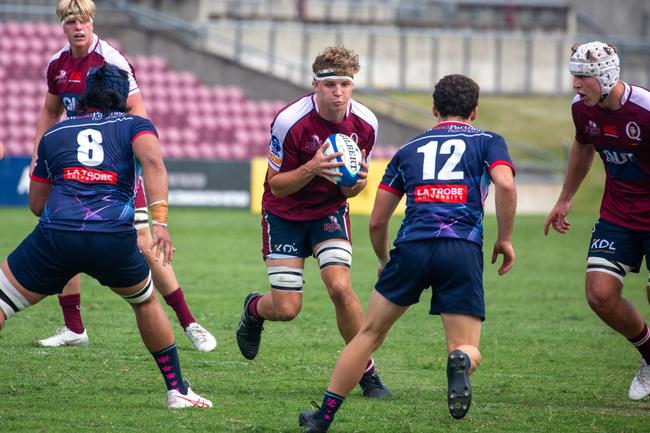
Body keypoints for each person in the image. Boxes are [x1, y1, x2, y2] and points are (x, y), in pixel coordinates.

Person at [299, 74, 517, 432]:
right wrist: (505, 238)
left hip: (412, 246)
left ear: (434, 109)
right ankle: (461, 359)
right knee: (464, 346)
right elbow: (505, 183)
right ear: (474, 112)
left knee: (368, 334)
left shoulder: (409, 149)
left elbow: (376, 221)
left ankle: (322, 417)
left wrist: (386, 261)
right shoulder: (489, 141)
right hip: (460, 248)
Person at [0, 64, 212, 409]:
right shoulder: (136, 125)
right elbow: (154, 164)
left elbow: (37, 206)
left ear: (84, 94)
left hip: (56, 237)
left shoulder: (55, 134)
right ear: (124, 97)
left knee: (2, 301)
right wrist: (159, 221)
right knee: (144, 301)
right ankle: (177, 390)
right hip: (113, 238)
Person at [32, 0, 216, 351]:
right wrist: (38, 154)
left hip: (112, 168)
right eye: (71, 21)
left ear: (92, 21)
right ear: (63, 25)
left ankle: (189, 322)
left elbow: (139, 118)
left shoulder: (112, 62)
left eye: (83, 19)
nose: (78, 27)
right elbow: (49, 111)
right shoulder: (58, 64)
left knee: (144, 244)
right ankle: (74, 328)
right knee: (62, 231)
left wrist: (125, 165)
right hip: (71, 165)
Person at [235, 45, 390, 398]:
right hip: (285, 213)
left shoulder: (366, 124)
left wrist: (357, 182)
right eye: (331, 84)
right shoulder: (290, 121)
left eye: (346, 84)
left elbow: (353, 189)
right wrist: (313, 167)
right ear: (315, 85)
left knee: (340, 286)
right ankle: (254, 309)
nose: (339, 92)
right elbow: (276, 184)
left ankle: (366, 371)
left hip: (328, 212)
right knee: (287, 309)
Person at [544, 41, 650, 401]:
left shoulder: (646, 110)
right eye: (573, 75)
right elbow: (583, 146)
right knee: (600, 294)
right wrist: (565, 198)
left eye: (583, 76)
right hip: (618, 214)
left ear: (605, 75)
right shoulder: (582, 110)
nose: (575, 84)